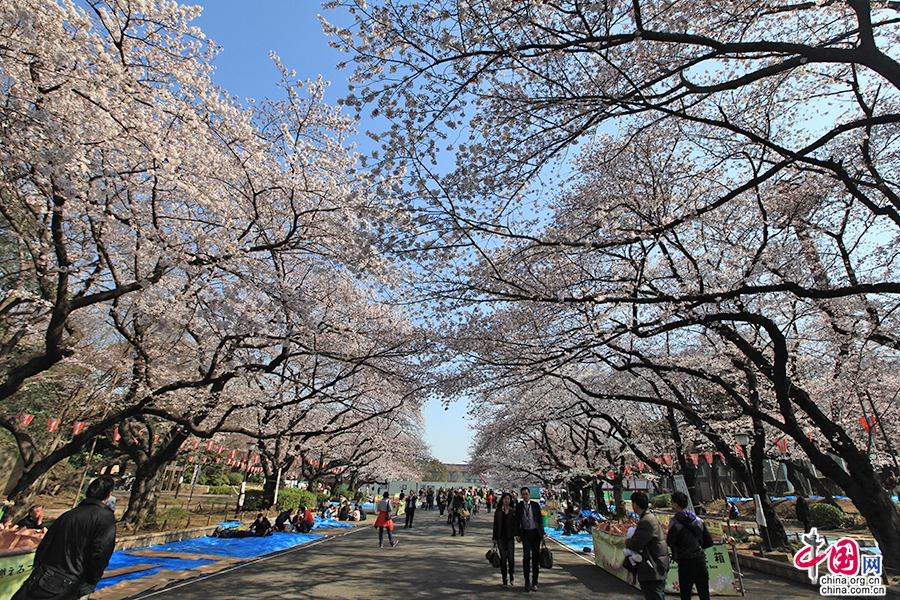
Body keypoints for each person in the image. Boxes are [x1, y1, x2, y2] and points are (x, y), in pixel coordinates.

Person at [12, 476, 116, 600]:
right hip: (69, 580)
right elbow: (101, 552)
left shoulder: (68, 514)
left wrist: (38, 568)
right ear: (108, 495)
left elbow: (45, 543)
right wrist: (91, 581)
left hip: (43, 575)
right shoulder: (105, 518)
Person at [667, 491, 714, 600]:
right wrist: (698, 547)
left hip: (685, 562)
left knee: (685, 595)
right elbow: (709, 541)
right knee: (704, 594)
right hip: (700, 560)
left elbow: (670, 542)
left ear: (676, 504)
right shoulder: (698, 521)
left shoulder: (675, 522)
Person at [625, 491, 670, 600]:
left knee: (654, 594)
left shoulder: (646, 521)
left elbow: (636, 543)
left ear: (635, 505)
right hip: (656, 564)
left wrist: (627, 542)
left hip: (652, 566)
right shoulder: (650, 519)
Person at [514, 486, 546, 592]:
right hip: (525, 534)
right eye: (523, 494)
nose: (525, 496)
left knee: (535, 559)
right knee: (526, 558)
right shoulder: (519, 506)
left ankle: (535, 582)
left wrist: (543, 534)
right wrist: (517, 534)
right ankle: (527, 580)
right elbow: (517, 521)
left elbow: (540, 521)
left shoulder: (535, 505)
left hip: (535, 534)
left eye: (526, 494)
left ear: (529, 494)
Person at [492, 492, 517, 587]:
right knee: (503, 559)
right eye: (505, 498)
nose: (506, 500)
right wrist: (494, 538)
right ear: (502, 500)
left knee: (511, 558)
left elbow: (516, 524)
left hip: (510, 537)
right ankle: (504, 579)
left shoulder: (512, 511)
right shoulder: (498, 511)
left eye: (508, 499)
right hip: (500, 537)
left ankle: (511, 575)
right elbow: (495, 525)